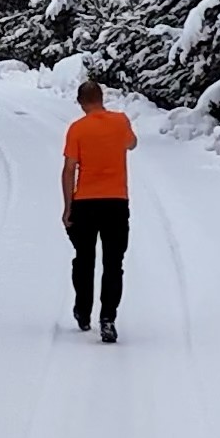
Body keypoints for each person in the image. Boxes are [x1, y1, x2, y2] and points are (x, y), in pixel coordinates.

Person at [60, 78, 135, 343]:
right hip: (116, 201)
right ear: (102, 98)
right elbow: (132, 144)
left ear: (81, 103)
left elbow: (69, 169)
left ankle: (82, 311)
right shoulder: (121, 121)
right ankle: (108, 318)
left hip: (86, 203)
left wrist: (68, 207)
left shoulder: (77, 129)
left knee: (84, 258)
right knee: (113, 263)